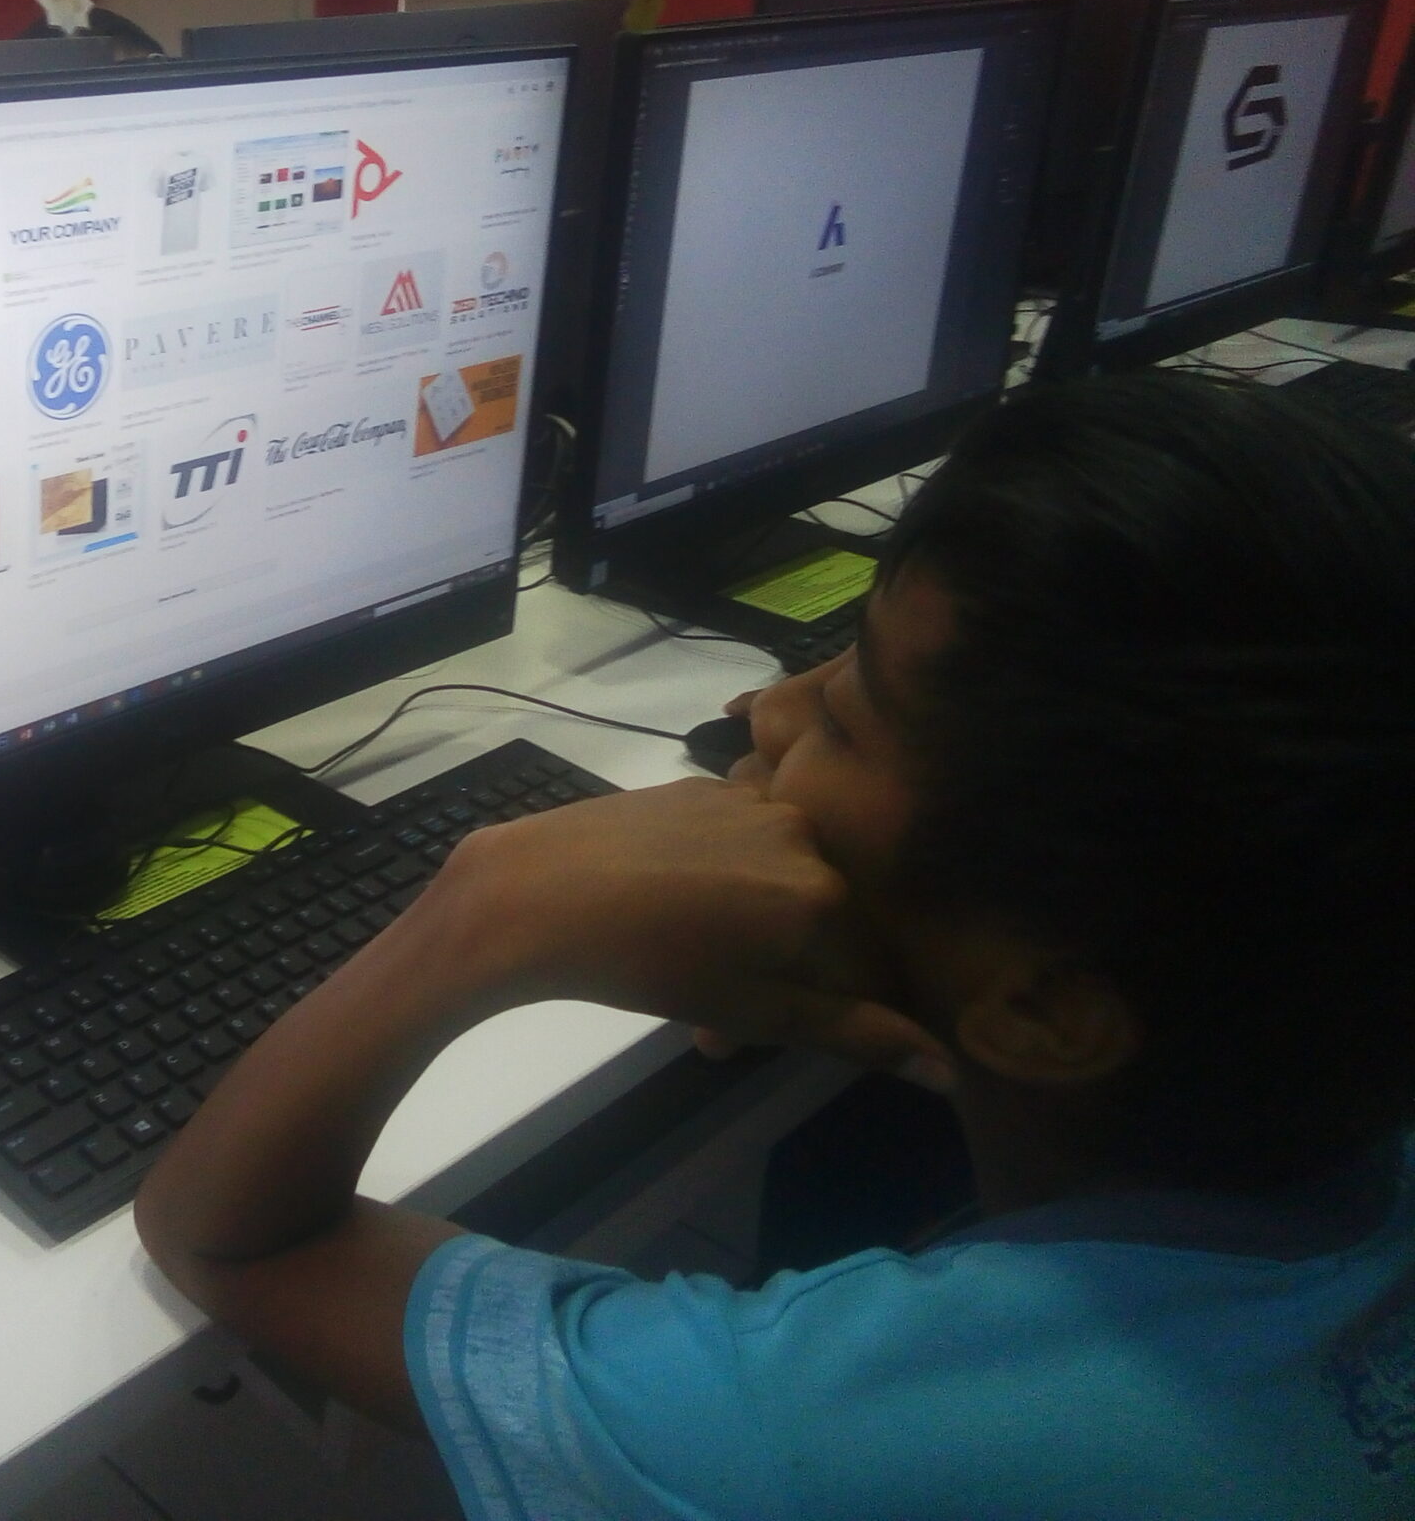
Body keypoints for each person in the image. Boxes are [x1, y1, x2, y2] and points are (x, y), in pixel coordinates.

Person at [135, 371, 1415, 1517]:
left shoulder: (791, 1435)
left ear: (1044, 1013)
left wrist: (482, 910)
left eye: (851, 718)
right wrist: (931, 1014)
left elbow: (227, 1233)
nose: (767, 707)